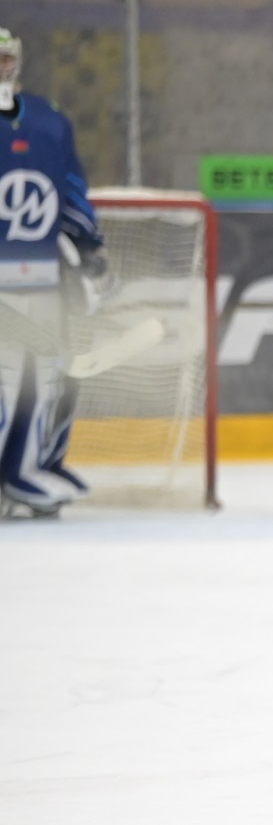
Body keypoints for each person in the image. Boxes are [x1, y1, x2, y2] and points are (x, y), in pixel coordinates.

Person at [0, 27, 109, 518]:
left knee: (45, 377)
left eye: (7, 57)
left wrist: (85, 250)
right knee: (5, 380)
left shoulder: (47, 119)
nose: (2, 66)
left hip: (40, 277)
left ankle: (25, 470)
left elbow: (70, 187)